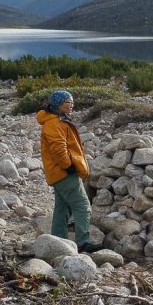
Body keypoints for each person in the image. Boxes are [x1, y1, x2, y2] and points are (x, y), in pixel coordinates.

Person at [36, 89, 101, 252]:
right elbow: (58, 149)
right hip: (63, 173)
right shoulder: (54, 123)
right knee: (82, 205)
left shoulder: (56, 120)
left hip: (57, 173)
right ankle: (82, 242)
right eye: (67, 102)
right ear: (58, 104)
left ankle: (58, 243)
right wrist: (69, 166)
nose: (71, 105)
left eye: (72, 102)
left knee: (62, 209)